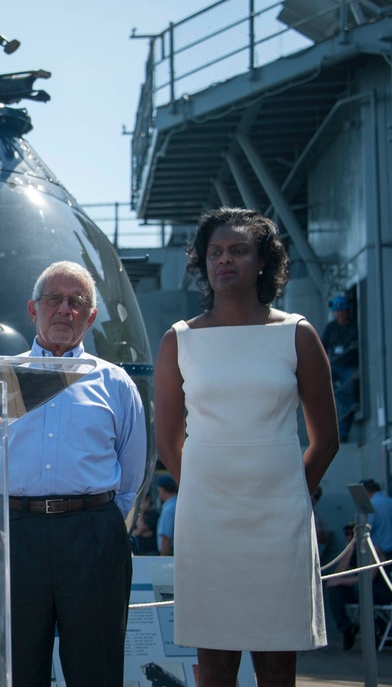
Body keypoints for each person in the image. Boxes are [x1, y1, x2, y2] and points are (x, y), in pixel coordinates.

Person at [155, 208, 339, 687]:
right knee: (213, 662)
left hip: (279, 521)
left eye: (239, 250)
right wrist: (199, 491)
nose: (225, 260)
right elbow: (168, 440)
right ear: (203, 262)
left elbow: (327, 439)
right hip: (207, 519)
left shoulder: (297, 333)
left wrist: (291, 494)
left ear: (263, 262)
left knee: (277, 663)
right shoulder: (179, 339)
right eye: (215, 252)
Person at [0, 260, 146, 687]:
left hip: (92, 539)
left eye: (77, 302)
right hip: (14, 537)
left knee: (96, 670)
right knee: (15, 671)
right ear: (32, 309)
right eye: (53, 299)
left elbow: (130, 474)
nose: (64, 309)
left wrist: (104, 527)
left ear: (91, 317)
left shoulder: (115, 383)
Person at [325, 522, 392, 651]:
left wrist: (341, 581)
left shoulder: (373, 550)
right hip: (360, 591)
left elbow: (367, 579)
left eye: (353, 534)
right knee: (334, 590)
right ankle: (347, 628)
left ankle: (376, 627)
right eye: (347, 534)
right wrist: (349, 551)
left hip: (380, 591)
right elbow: (338, 575)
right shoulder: (351, 550)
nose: (350, 537)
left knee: (358, 588)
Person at [321, 294, 359, 441]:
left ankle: (342, 434)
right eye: (338, 311)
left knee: (348, 398)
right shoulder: (331, 328)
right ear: (334, 313)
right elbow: (321, 347)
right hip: (335, 366)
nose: (340, 313)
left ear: (348, 310)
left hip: (350, 368)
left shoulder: (355, 326)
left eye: (343, 310)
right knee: (325, 386)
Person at [363, 478, 392, 556]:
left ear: (366, 492)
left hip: (380, 550)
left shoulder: (371, 504)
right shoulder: (390, 501)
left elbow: (368, 527)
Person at [130, 491, 160, 556]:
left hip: (151, 552)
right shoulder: (132, 516)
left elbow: (141, 529)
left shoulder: (154, 515)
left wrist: (141, 512)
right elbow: (132, 532)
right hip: (138, 552)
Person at [155, 474, 178, 556]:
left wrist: (162, 559)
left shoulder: (169, 509)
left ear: (162, 490)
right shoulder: (178, 504)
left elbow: (166, 538)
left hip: (169, 555)